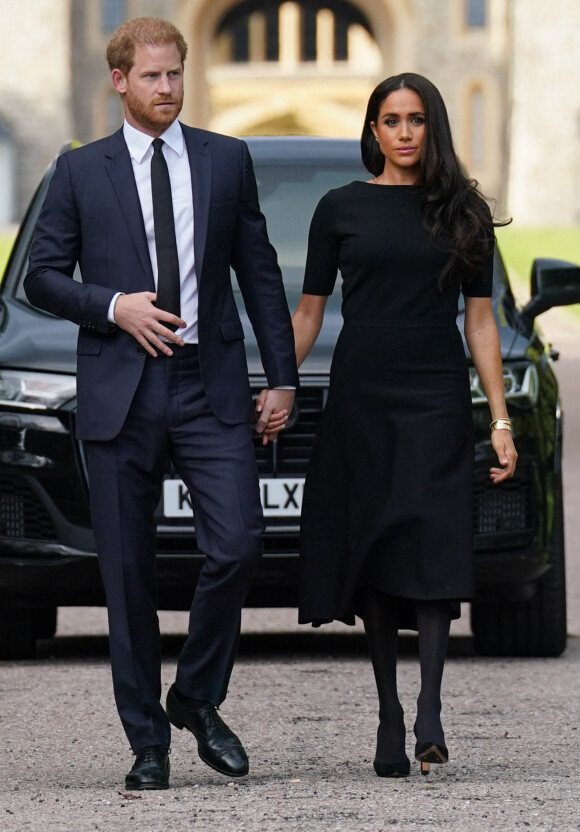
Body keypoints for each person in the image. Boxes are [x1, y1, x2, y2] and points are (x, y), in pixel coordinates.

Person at [25, 17, 297, 790]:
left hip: (208, 386)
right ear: (120, 81)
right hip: (120, 389)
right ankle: (148, 743)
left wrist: (278, 375)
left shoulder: (226, 159)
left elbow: (260, 272)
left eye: (175, 74)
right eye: (151, 76)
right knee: (129, 579)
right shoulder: (82, 172)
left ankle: (195, 697)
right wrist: (115, 306)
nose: (168, 88)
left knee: (240, 542)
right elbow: (43, 276)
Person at [289, 73, 517, 778]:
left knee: (433, 538)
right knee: (379, 549)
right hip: (363, 395)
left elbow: (480, 322)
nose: (405, 132)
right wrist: (275, 384)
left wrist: (500, 418)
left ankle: (431, 707)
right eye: (391, 120)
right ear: (373, 131)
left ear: (433, 127)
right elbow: (309, 312)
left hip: (435, 395)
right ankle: (389, 710)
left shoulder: (464, 213)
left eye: (416, 119)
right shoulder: (339, 209)